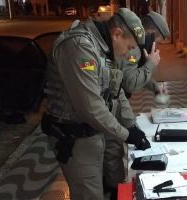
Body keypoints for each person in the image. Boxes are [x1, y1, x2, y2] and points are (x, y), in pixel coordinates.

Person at [41, 8, 151, 200]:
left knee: (112, 184)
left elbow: (116, 93)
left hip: (97, 132)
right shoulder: (79, 47)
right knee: (89, 195)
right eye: (129, 46)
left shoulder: (105, 47)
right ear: (117, 34)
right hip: (75, 138)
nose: (128, 53)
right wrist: (126, 135)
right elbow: (90, 107)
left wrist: (131, 124)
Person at [120, 11, 170, 99]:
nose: (155, 45)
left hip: (119, 96)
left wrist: (156, 87)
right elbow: (130, 83)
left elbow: (137, 71)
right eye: (156, 41)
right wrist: (150, 64)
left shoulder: (139, 43)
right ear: (151, 32)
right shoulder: (132, 46)